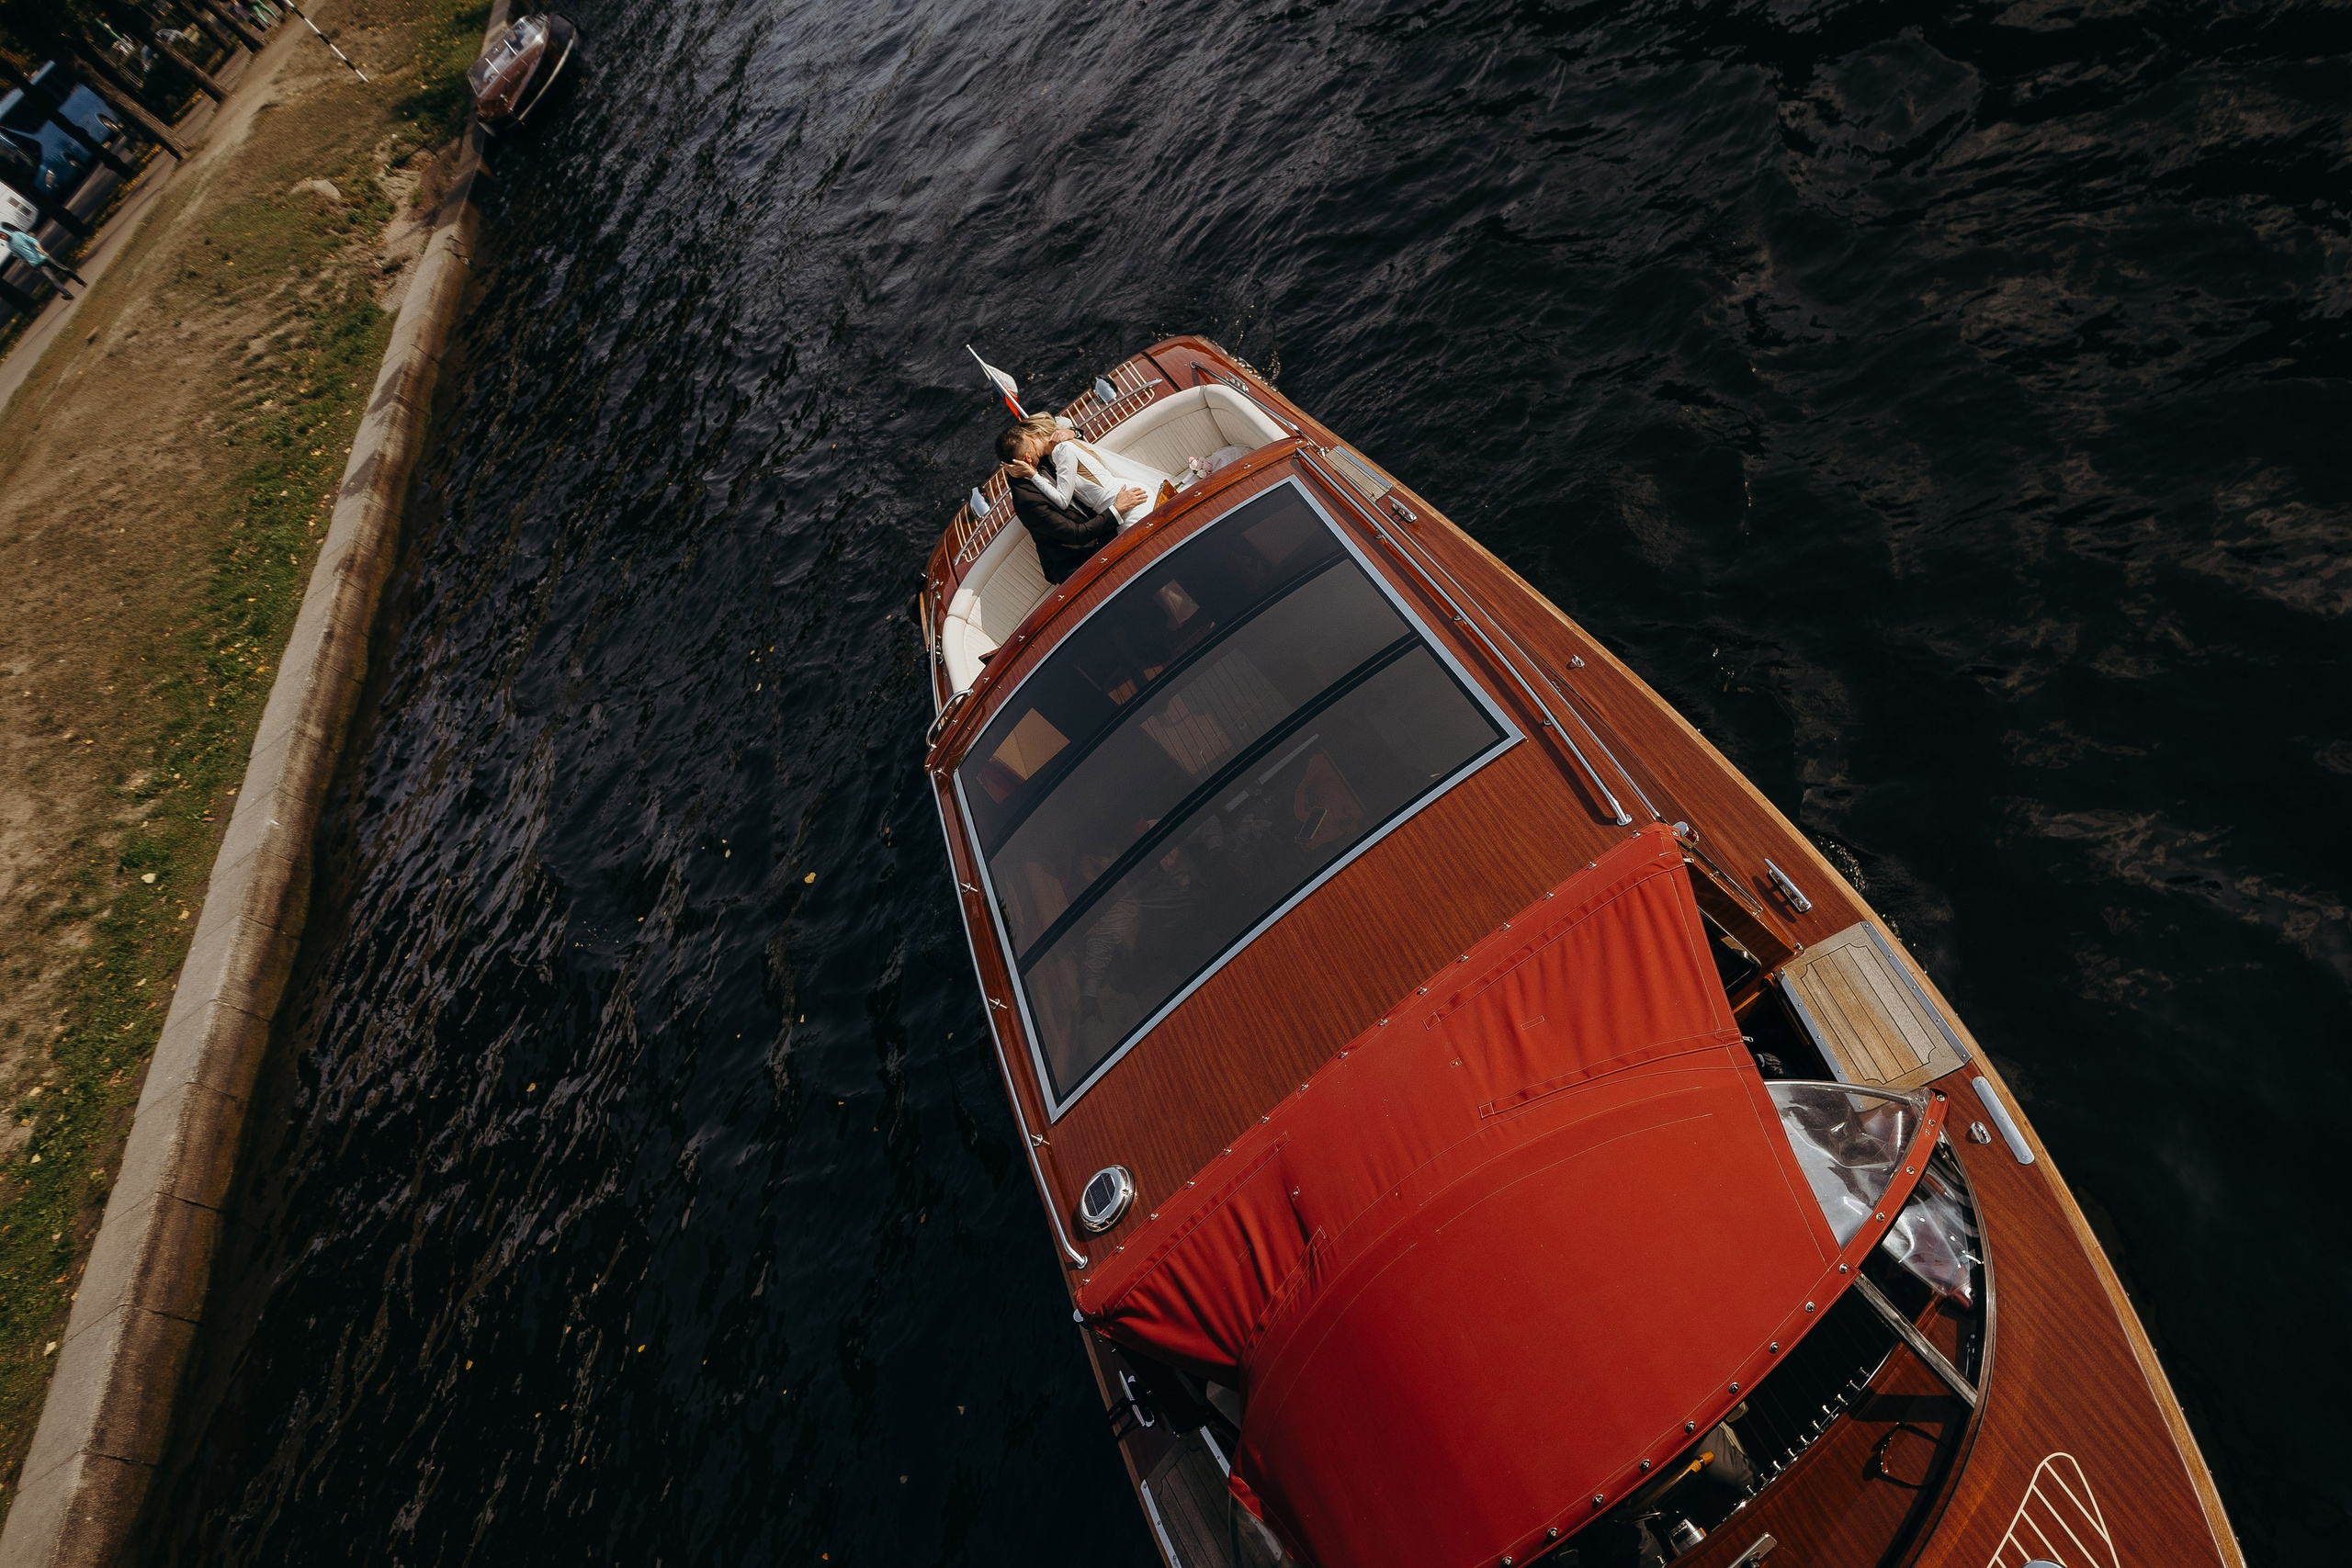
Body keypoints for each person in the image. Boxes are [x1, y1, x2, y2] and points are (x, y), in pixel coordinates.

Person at [999, 415, 1145, 584]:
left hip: (1102, 532)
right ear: (1027, 458)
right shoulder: (1027, 501)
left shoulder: (1044, 455)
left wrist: (1072, 432)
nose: (1034, 441)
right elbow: (1077, 534)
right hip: (1078, 561)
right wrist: (1117, 509)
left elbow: (1072, 448)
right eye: (1031, 442)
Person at [3, 226, 87, 297]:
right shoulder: (10, 246)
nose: (2, 237)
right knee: (52, 279)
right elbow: (22, 257)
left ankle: (81, 281)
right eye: (0, 237)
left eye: (2, 235)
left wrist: (40, 249)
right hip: (37, 264)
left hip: (44, 257)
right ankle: (67, 294)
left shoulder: (18, 235)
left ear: (5, 232)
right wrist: (31, 267)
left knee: (63, 269)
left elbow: (33, 241)